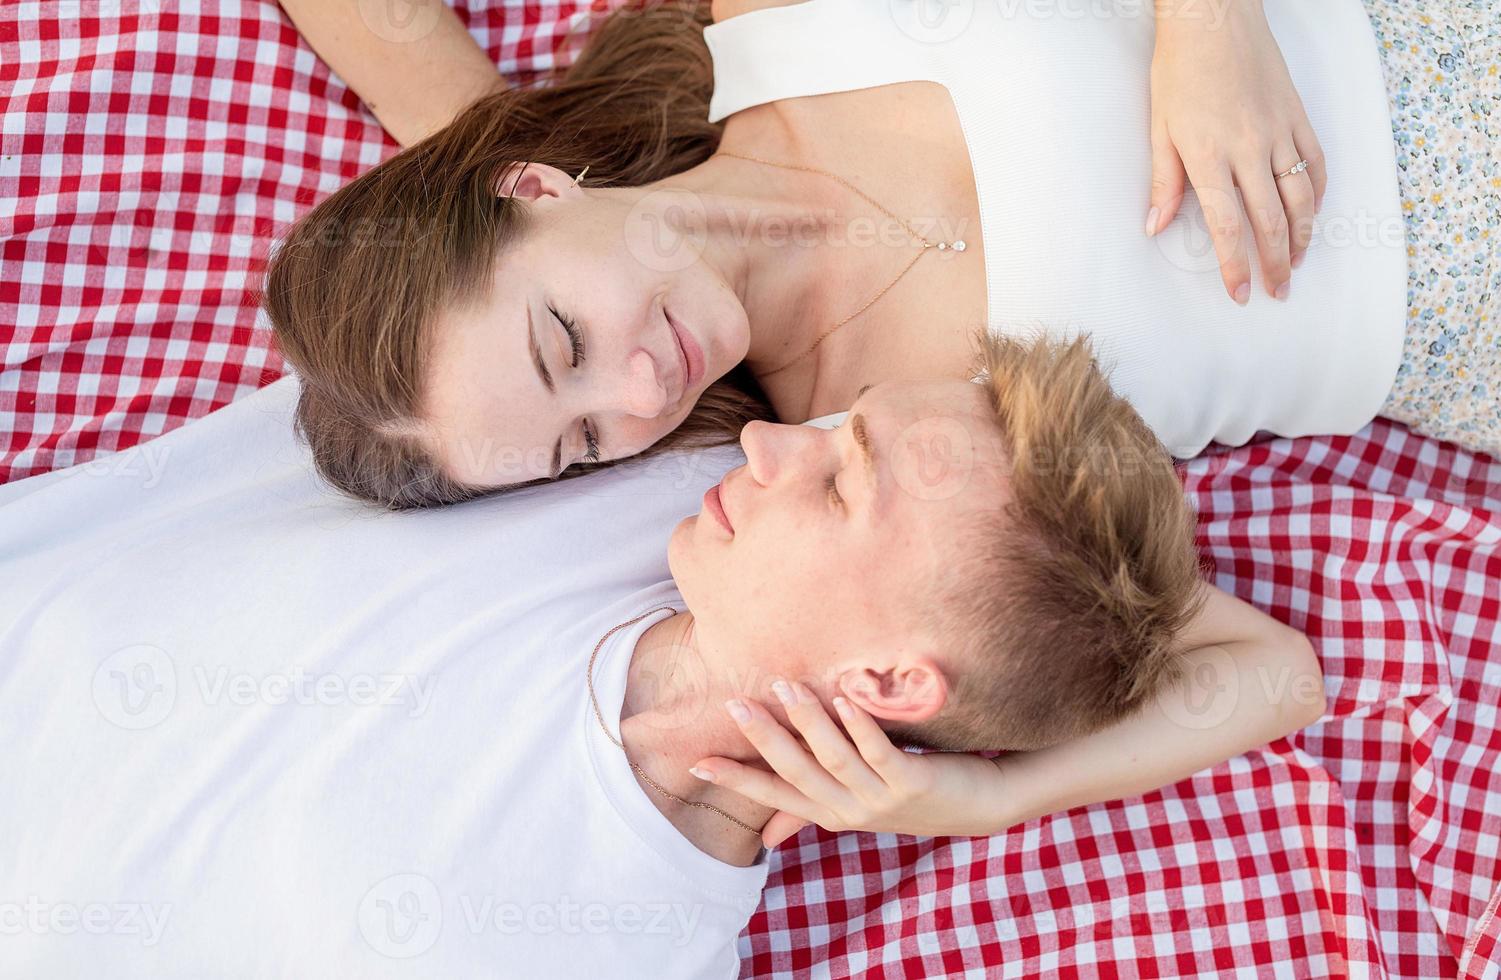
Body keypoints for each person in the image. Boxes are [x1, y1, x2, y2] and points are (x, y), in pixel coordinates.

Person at [0, 337, 1323, 976]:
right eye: (840, 423)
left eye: (838, 479)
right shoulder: (648, 454)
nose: (772, 443)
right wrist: (975, 782)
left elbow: (1241, 661)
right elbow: (1270, 670)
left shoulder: (600, 943)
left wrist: (976, 799)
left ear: (886, 685)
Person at [263, 0, 1497, 510]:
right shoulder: (857, 453)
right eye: (582, 440)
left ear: (531, 187)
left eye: (564, 341)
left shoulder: (787, 25)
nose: (639, 394)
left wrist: (1210, 23)